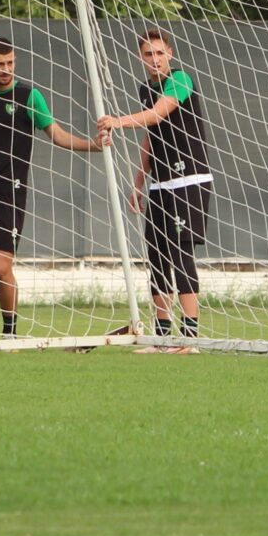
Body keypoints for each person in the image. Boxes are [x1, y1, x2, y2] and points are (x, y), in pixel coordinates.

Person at [0, 37, 109, 340]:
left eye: (10, 62)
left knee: (1, 267)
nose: (6, 69)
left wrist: (93, 145)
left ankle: (10, 331)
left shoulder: (29, 96)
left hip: (10, 193)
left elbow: (59, 136)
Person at [97, 29, 209, 348]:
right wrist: (138, 184)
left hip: (189, 180)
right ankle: (161, 337)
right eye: (149, 54)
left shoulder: (180, 80)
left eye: (160, 53)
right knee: (157, 256)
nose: (155, 59)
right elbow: (151, 136)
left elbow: (157, 114)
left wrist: (117, 121)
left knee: (180, 254)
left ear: (170, 54)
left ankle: (189, 339)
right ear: (140, 58)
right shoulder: (147, 88)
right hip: (159, 183)